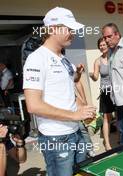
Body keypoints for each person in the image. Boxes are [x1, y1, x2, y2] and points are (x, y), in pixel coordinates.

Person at [23, 7, 96, 176]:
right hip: (56, 139)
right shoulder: (36, 59)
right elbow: (33, 105)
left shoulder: (64, 60)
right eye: (69, 29)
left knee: (81, 173)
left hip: (75, 131)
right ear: (53, 29)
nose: (73, 33)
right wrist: (74, 116)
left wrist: (84, 110)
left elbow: (69, 92)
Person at [89, 37, 115, 151]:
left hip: (118, 90)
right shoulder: (98, 61)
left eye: (104, 45)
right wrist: (90, 74)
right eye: (100, 45)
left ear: (108, 45)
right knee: (106, 118)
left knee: (119, 116)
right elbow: (95, 77)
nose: (102, 47)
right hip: (105, 91)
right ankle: (107, 143)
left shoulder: (114, 57)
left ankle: (120, 138)